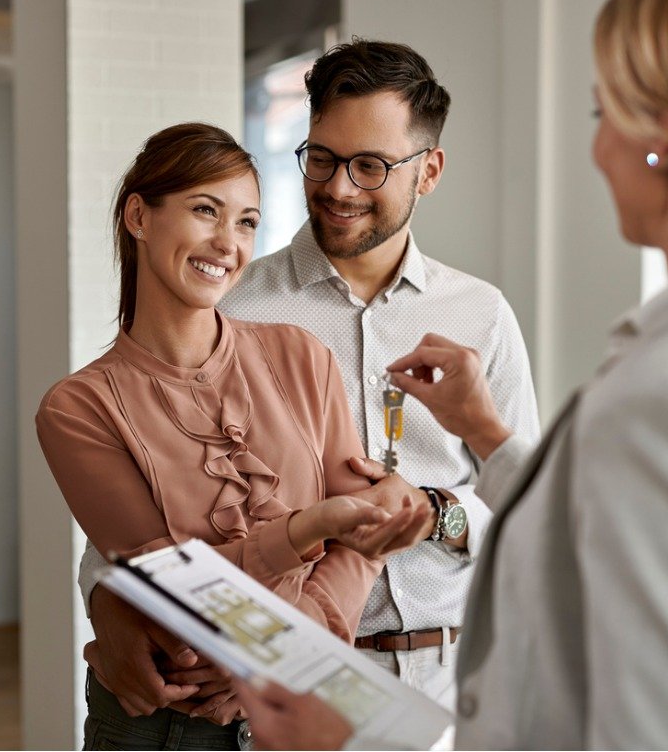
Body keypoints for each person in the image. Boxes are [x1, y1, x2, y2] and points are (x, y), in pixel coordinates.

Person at [235, 0, 668, 748]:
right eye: (323, 159)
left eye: (602, 112)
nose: (598, 148)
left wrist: (345, 741)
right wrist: (486, 430)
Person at [78, 38, 541, 717]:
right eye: (321, 158)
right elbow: (132, 508)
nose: (338, 188)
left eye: (370, 166)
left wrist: (435, 512)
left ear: (430, 170)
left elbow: (523, 509)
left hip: (448, 677)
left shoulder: (482, 315)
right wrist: (103, 600)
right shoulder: (231, 305)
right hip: (271, 679)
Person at [36, 123, 428, 750]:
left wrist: (287, 654)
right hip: (165, 733)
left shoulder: (302, 357)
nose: (228, 242)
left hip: (300, 708)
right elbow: (175, 593)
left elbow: (363, 541)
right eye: (204, 211)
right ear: (140, 216)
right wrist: (306, 529)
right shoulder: (79, 409)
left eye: (247, 222)